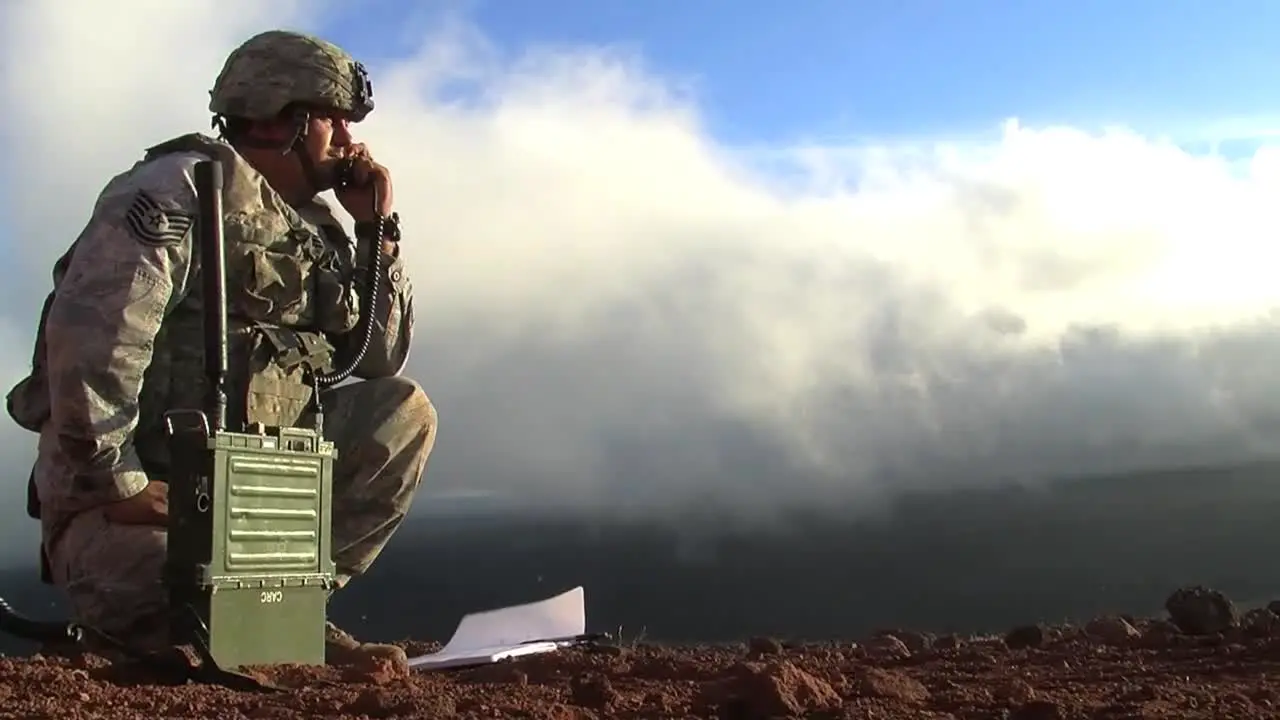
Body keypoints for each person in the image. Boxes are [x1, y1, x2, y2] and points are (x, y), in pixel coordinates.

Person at [4, 29, 438, 668]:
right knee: (175, 613)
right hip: (139, 509)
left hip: (251, 509)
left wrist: (376, 228)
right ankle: (211, 624)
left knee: (403, 411)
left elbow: (377, 357)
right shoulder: (175, 189)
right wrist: (117, 483)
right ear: (280, 121)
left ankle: (290, 603)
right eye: (334, 122)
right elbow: (92, 337)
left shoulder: (317, 226)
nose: (350, 142)